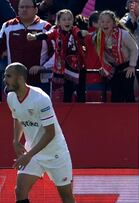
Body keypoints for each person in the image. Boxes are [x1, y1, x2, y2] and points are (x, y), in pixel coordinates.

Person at [3, 62, 74, 203]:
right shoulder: (11, 97)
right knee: (20, 190)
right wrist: (16, 141)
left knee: (67, 198)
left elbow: (50, 133)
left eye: (9, 76)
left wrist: (28, 155)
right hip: (33, 152)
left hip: (55, 153)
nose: (5, 79)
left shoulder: (41, 99)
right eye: (5, 76)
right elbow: (18, 117)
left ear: (21, 79)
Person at [27, 9, 88, 103]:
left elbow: (78, 33)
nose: (67, 21)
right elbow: (47, 35)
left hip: (78, 66)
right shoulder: (55, 31)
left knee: (81, 92)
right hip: (64, 67)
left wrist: (82, 34)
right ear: (59, 22)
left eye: (69, 19)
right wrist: (35, 37)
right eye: (64, 19)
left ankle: (82, 113)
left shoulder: (75, 29)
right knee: (67, 93)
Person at [0, 0, 54, 95]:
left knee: (39, 110)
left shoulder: (46, 27)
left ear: (36, 10)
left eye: (28, 7)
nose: (24, 10)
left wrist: (43, 67)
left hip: (40, 81)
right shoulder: (7, 26)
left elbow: (56, 52)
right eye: (21, 7)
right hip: (14, 82)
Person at [94, 10, 138, 103]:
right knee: (116, 95)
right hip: (113, 68)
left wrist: (132, 66)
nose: (105, 24)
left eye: (108, 21)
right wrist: (104, 66)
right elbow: (101, 54)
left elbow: (134, 49)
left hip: (127, 66)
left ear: (114, 23)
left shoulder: (124, 34)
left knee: (128, 92)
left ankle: (131, 115)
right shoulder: (97, 37)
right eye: (102, 22)